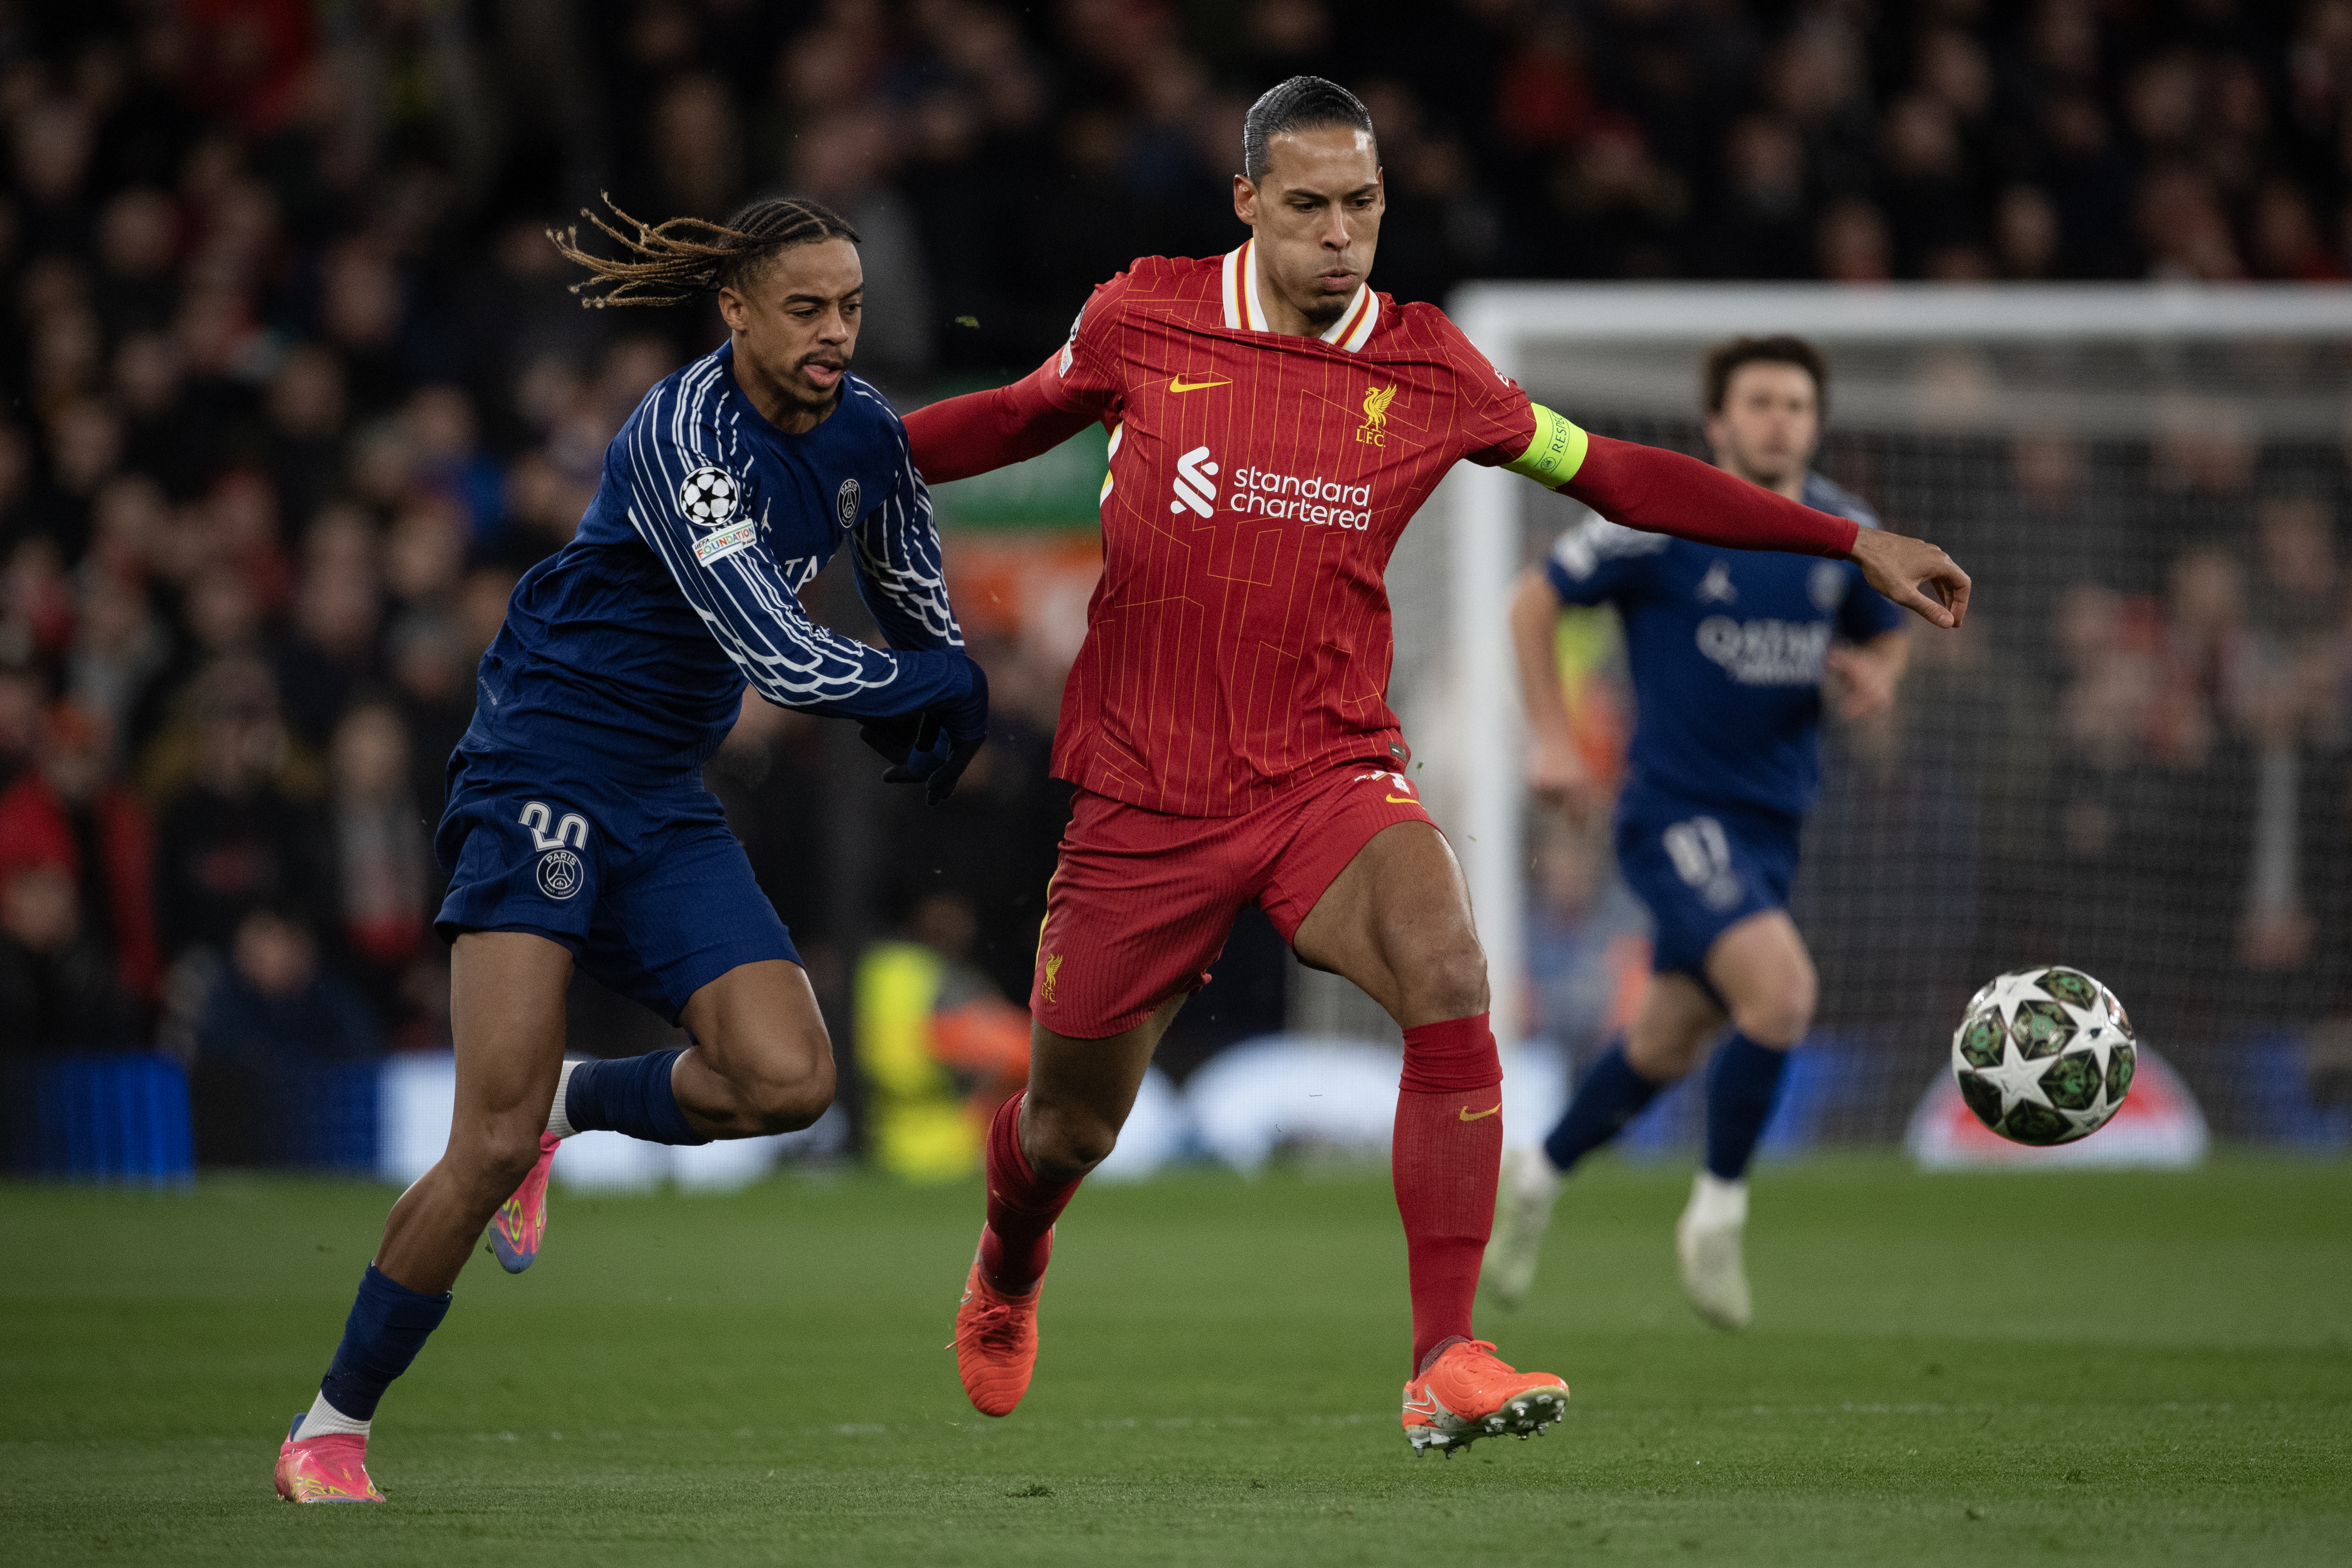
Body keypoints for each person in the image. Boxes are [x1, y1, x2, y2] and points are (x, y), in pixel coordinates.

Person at [901, 79, 1967, 1453]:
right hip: (1143, 795)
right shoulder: (1142, 316)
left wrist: (1842, 542)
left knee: (1448, 968)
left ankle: (1443, 1353)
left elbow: (1625, 477)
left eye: (1361, 205)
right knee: (1066, 1128)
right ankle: (1008, 1262)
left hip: (1324, 774)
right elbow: (1005, 420)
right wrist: (834, 457)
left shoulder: (1425, 366)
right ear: (1247, 204)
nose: (1339, 233)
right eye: (1306, 206)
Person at [273, 196, 990, 1504]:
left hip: (662, 792)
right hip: (542, 765)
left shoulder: (867, 434)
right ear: (735, 310)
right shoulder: (684, 434)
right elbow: (779, 649)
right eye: (806, 309)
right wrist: (921, 689)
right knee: (480, 1141)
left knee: (788, 1078)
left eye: (851, 308)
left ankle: (575, 1103)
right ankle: (330, 1424)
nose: (837, 334)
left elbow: (917, 598)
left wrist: (957, 680)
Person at [1481, 336, 1911, 1330]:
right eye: (1758, 403)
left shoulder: (1843, 530)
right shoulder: (1659, 522)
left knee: (1670, 1039)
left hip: (1773, 828)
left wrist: (1883, 673)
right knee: (1784, 993)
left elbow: (1888, 627)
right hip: (1672, 815)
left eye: (1796, 405)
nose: (1779, 421)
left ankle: (1538, 1178)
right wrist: (1553, 739)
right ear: (1718, 424)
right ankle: (1717, 1213)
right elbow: (1535, 596)